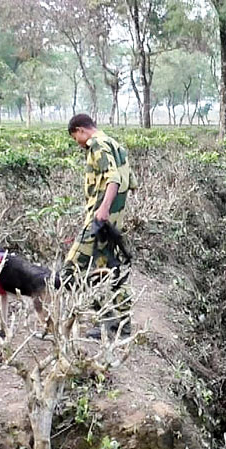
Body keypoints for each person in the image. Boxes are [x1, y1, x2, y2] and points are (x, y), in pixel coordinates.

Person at [65, 113, 136, 336]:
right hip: (113, 221)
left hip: (100, 222)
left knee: (73, 267)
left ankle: (96, 320)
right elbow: (132, 182)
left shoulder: (97, 144)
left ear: (80, 130)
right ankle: (119, 324)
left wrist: (103, 209)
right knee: (107, 268)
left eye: (75, 138)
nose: (78, 144)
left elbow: (113, 178)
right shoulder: (115, 144)